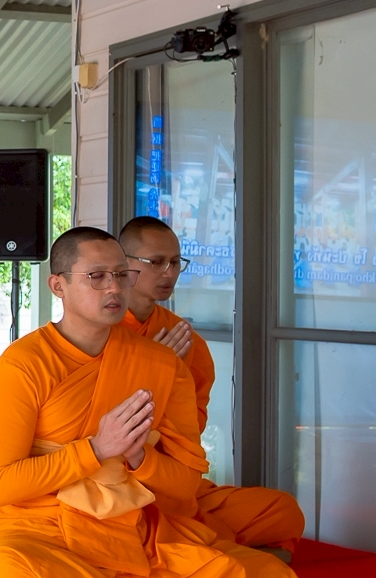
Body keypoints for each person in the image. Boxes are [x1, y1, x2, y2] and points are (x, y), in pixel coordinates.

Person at [0, 226, 308, 578]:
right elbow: (0, 485)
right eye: (96, 277)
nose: (114, 288)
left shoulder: (161, 363)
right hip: (39, 529)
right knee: (14, 577)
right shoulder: (23, 367)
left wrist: (138, 456)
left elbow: (186, 486)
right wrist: (95, 449)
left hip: (134, 531)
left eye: (121, 276)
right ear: (59, 285)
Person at [118, 216, 305, 551]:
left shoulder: (188, 342)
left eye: (176, 262)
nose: (169, 273)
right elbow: (88, 423)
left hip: (168, 480)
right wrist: (152, 369)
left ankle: (203, 544)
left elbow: (191, 430)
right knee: (151, 528)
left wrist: (167, 377)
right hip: (113, 481)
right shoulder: (100, 333)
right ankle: (215, 549)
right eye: (157, 262)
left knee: (282, 510)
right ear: (124, 263)